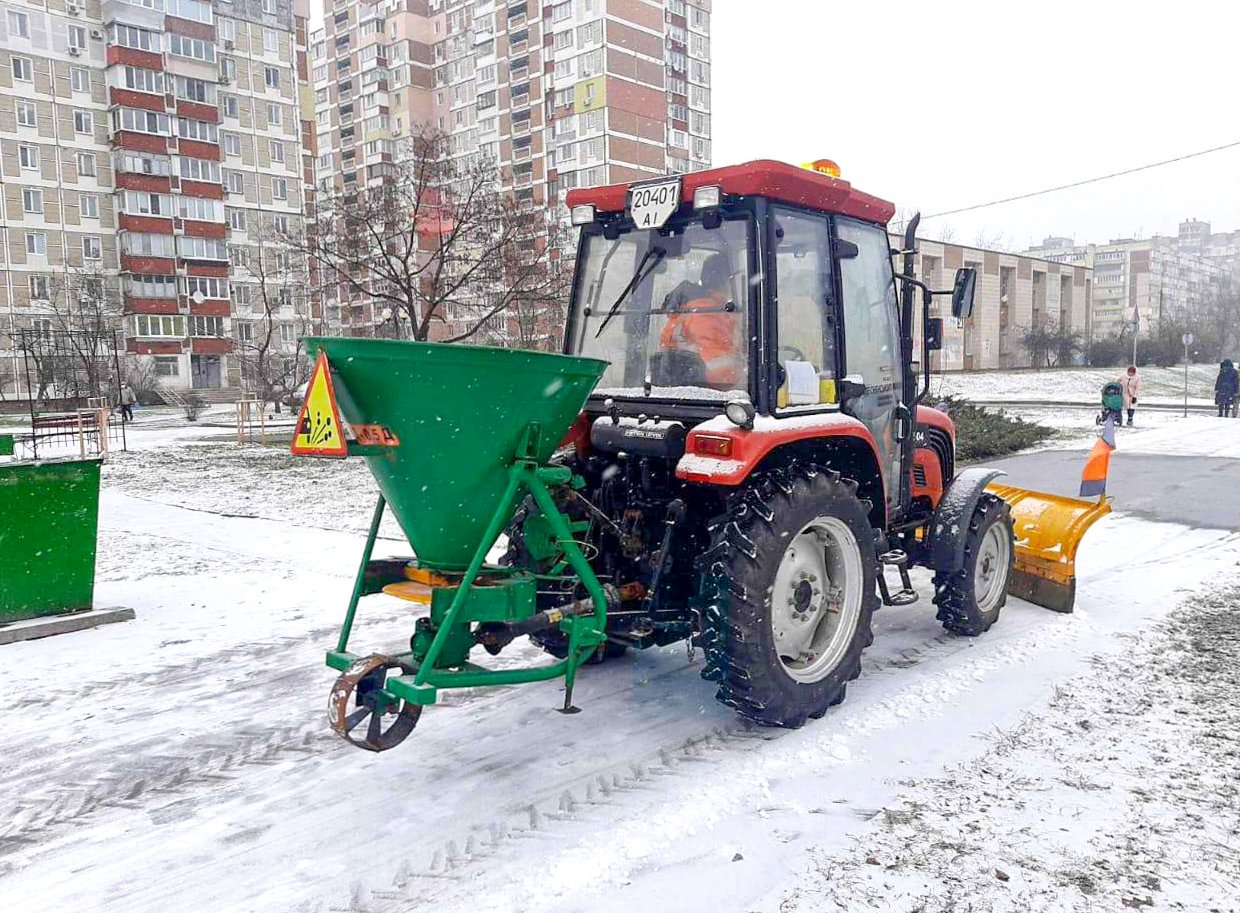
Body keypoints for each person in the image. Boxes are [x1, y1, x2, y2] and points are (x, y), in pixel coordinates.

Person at [658, 251, 742, 388]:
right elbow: (720, 372)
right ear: (727, 280)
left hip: (686, 389)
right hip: (706, 394)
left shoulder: (693, 307)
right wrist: (746, 374)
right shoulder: (706, 312)